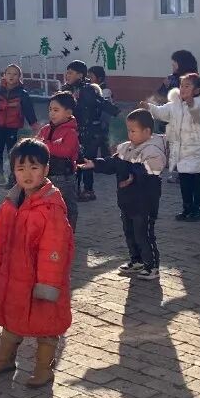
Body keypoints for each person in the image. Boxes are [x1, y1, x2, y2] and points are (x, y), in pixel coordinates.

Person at [0, 138, 74, 388]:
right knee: (12, 316)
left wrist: (47, 285)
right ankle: (5, 359)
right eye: (21, 168)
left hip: (40, 280)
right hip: (13, 276)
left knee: (46, 323)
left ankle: (44, 368)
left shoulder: (50, 208)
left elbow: (54, 249)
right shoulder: (11, 203)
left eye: (34, 167)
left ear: (46, 169)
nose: (27, 174)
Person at [79, 108, 167, 281]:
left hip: (144, 203)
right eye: (128, 130)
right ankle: (136, 261)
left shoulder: (153, 151)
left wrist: (132, 175)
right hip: (127, 201)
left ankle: (152, 266)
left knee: (144, 234)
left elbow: (148, 171)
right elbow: (113, 163)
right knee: (130, 232)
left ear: (147, 132)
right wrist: (95, 164)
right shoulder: (126, 148)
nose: (129, 134)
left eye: (133, 131)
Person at [148, 73, 200, 221]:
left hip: (195, 149)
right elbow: (161, 112)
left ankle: (199, 209)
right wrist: (149, 107)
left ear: (196, 90)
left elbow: (199, 116)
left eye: (187, 86)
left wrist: (191, 104)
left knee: (195, 180)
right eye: (181, 85)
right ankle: (187, 208)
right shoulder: (174, 105)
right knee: (184, 180)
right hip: (180, 149)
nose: (183, 88)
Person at [64, 61, 117, 202]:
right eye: (67, 72)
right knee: (73, 160)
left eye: (70, 73)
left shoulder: (88, 90)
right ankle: (75, 189)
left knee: (86, 161)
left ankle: (88, 190)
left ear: (80, 75)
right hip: (73, 131)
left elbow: (102, 104)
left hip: (90, 132)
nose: (67, 75)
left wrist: (116, 112)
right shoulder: (66, 89)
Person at [37, 90, 81, 232]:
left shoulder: (71, 132)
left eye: (56, 110)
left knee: (67, 207)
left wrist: (45, 145)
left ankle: (68, 233)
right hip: (46, 176)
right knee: (46, 206)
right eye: (50, 109)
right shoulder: (45, 129)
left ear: (68, 113)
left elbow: (64, 151)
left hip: (65, 177)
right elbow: (36, 144)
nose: (52, 113)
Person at [0, 64, 37, 187]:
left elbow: (29, 110)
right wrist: (7, 105)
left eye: (15, 74)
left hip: (14, 127)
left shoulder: (22, 93)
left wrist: (34, 124)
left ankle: (14, 177)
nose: (11, 76)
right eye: (9, 73)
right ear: (4, 75)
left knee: (13, 153)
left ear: (19, 77)